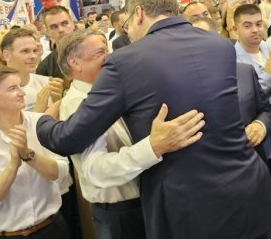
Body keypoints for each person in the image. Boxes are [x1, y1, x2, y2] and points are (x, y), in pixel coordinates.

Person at [36, 0, 271, 239]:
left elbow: (68, 138)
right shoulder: (218, 44)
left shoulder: (126, 61)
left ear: (139, 14)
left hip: (186, 209)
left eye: (129, 23)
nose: (129, 33)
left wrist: (41, 119)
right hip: (246, 191)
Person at [56, 29, 204, 239]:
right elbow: (96, 170)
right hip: (122, 215)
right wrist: (153, 147)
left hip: (146, 203)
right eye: (99, 53)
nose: (110, 57)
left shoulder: (109, 91)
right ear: (74, 63)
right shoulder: (76, 104)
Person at [0, 66, 70, 238]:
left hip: (51, 228)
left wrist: (28, 155)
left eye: (20, 86)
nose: (22, 93)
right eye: (12, 88)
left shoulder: (41, 123)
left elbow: (62, 173)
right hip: (8, 234)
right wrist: (13, 166)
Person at [232, 4, 271, 239]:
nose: (255, 30)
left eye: (259, 24)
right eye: (247, 26)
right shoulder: (232, 59)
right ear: (235, 28)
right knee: (267, 207)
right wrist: (269, 74)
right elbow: (245, 98)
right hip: (259, 145)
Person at [37, 6, 76, 79]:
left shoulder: (93, 53)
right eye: (54, 27)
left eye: (65, 23)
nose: (61, 30)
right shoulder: (44, 68)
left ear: (73, 24)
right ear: (47, 31)